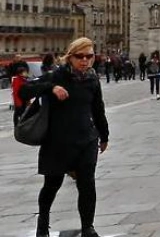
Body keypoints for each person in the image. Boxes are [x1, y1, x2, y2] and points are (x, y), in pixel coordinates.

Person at [19, 37, 109, 237]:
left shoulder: (92, 78)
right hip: (58, 141)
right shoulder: (57, 75)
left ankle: (88, 227)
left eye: (89, 56)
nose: (85, 60)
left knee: (87, 184)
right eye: (80, 56)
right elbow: (25, 91)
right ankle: (43, 223)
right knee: (52, 184)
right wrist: (50, 88)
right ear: (70, 57)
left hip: (86, 139)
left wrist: (104, 136)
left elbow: (98, 108)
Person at [10, 60, 30, 128]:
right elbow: (15, 92)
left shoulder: (24, 79)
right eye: (25, 72)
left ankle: (22, 125)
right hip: (19, 101)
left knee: (22, 113)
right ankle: (17, 125)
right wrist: (18, 103)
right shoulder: (17, 80)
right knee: (18, 113)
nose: (26, 73)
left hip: (23, 100)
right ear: (20, 73)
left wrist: (28, 101)